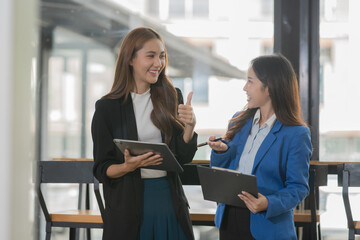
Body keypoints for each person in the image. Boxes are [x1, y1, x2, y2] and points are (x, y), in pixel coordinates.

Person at [91, 27, 197, 240]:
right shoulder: (107, 108)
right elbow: (102, 168)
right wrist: (126, 166)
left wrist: (190, 127)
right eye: (151, 56)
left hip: (168, 200)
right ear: (130, 59)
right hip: (128, 206)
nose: (158, 63)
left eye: (162, 56)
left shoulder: (171, 96)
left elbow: (183, 158)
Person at [208, 53, 312, 240]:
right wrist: (220, 151)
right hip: (229, 218)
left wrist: (268, 203)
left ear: (269, 86)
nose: (244, 88)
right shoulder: (238, 121)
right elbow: (220, 170)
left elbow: (298, 187)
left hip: (267, 225)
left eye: (250, 81)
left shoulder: (296, 134)